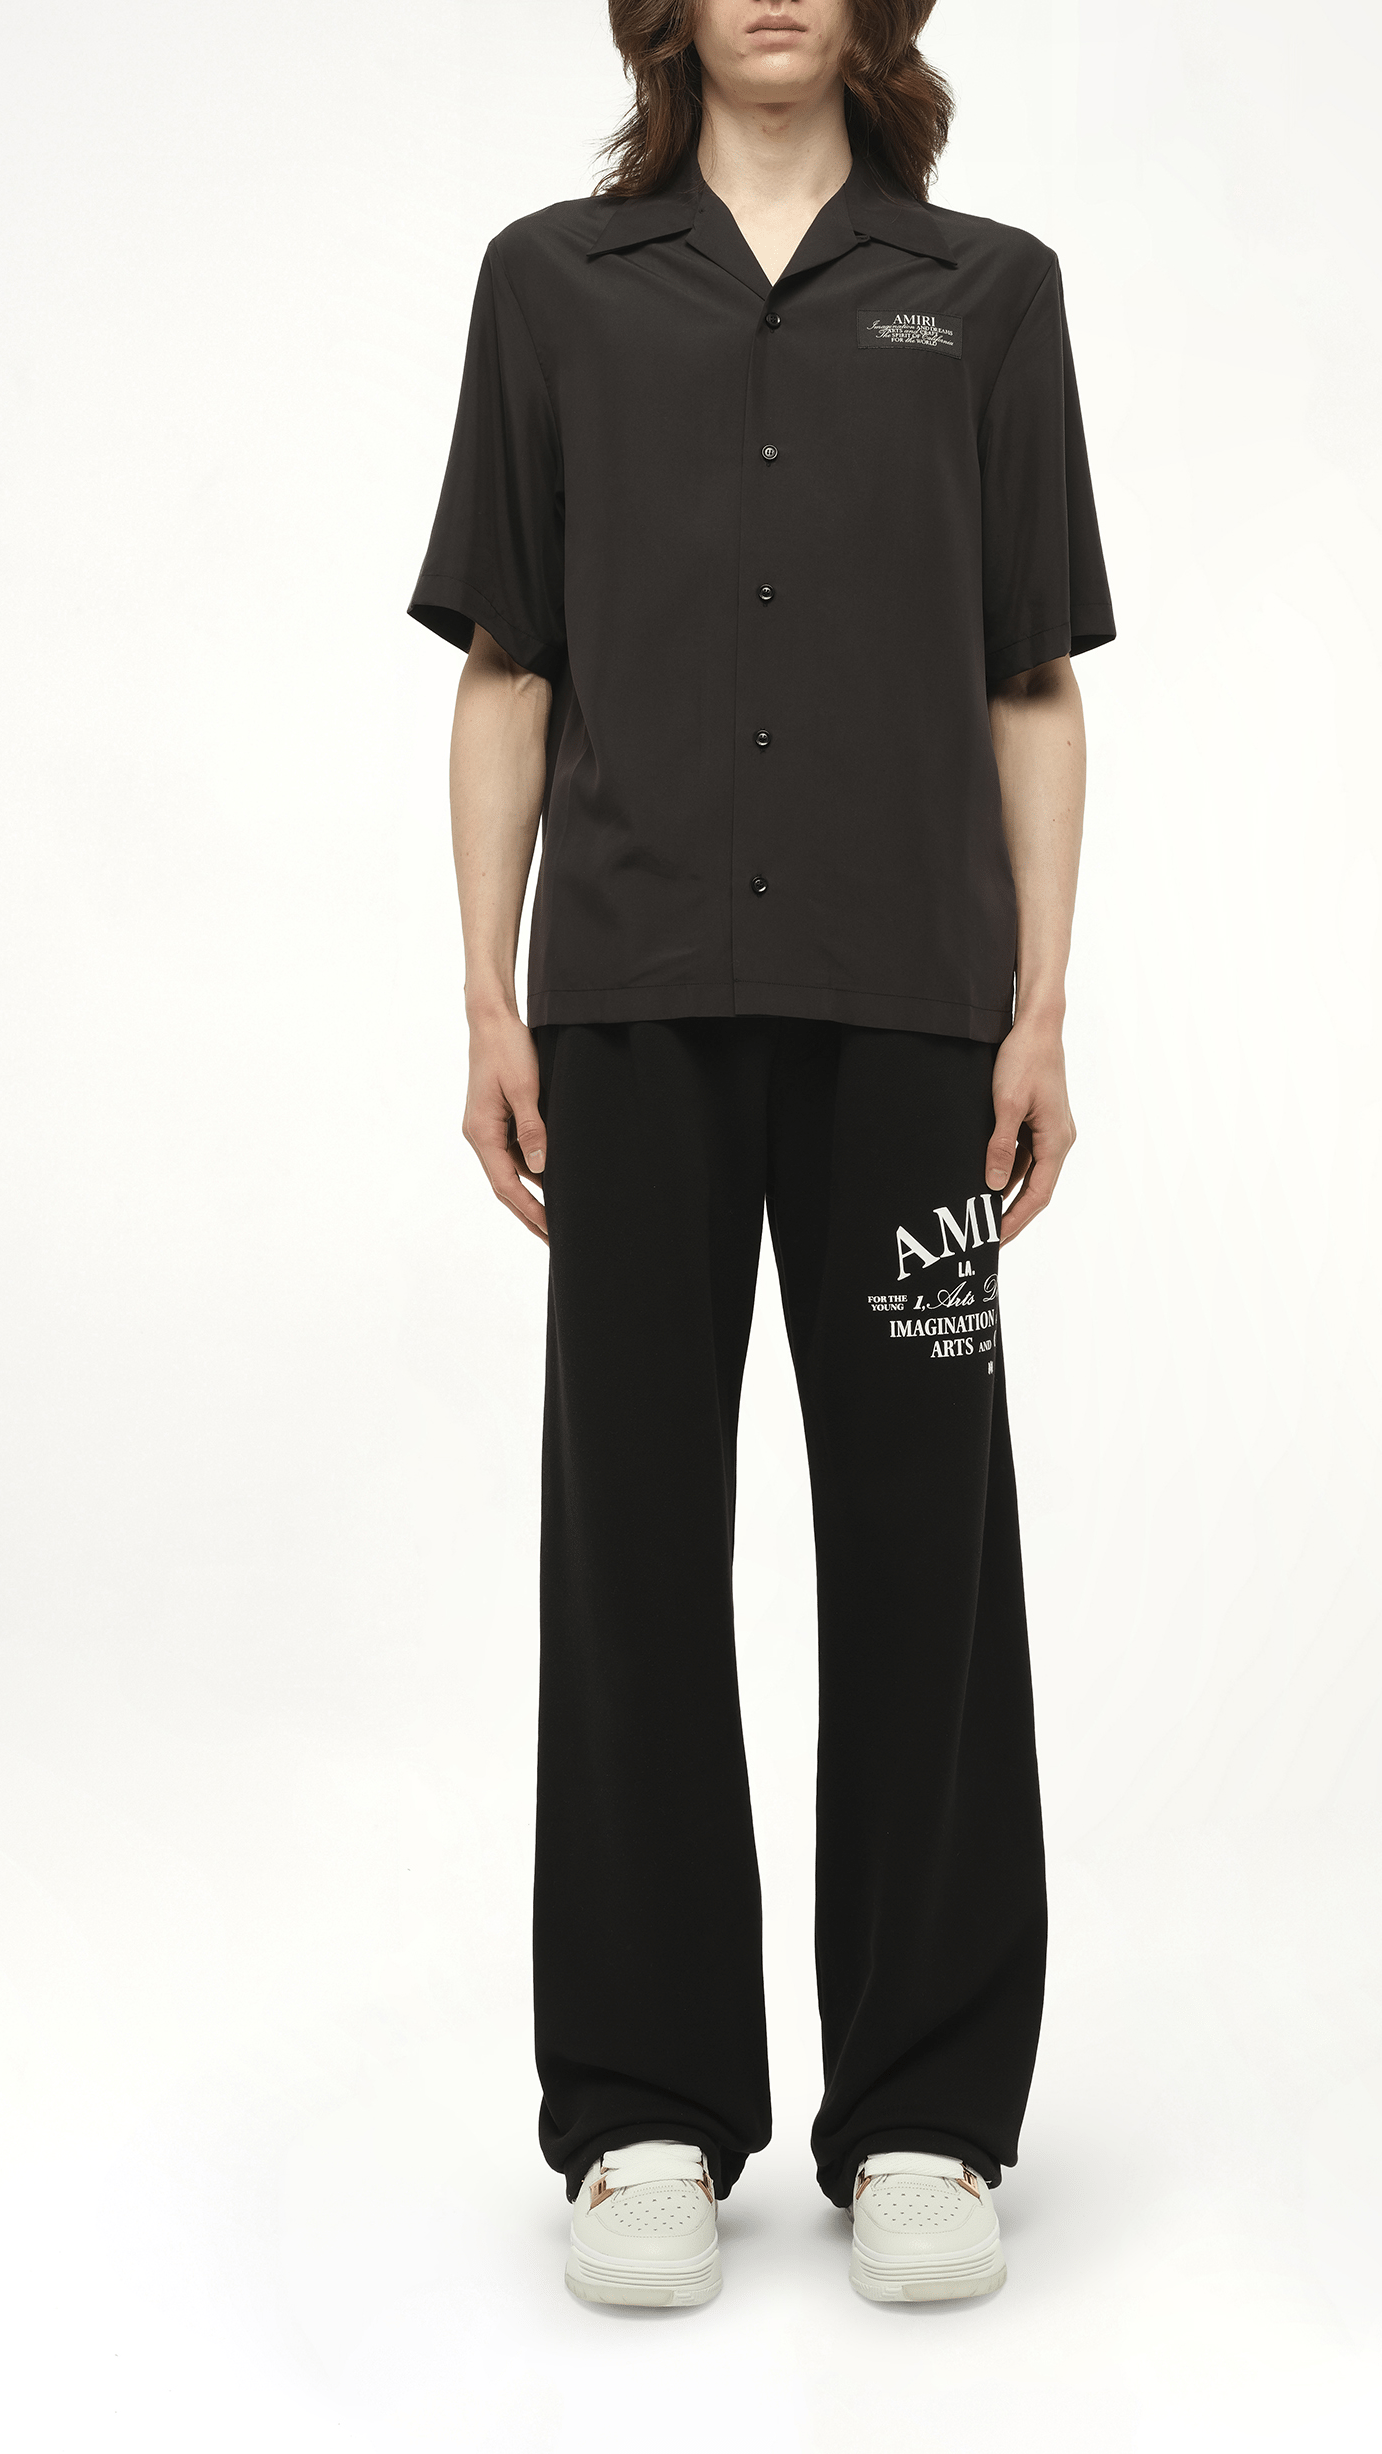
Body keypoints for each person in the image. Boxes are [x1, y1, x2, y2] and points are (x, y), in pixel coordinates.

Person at [407, 0, 1113, 2307]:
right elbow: (508, 664)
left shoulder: (985, 294)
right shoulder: (552, 284)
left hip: (913, 1012)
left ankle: (924, 2121)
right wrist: (488, 994)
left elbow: (1029, 679)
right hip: (628, 1006)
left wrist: (1036, 1006)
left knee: (927, 1551)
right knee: (627, 1545)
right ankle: (641, 2113)